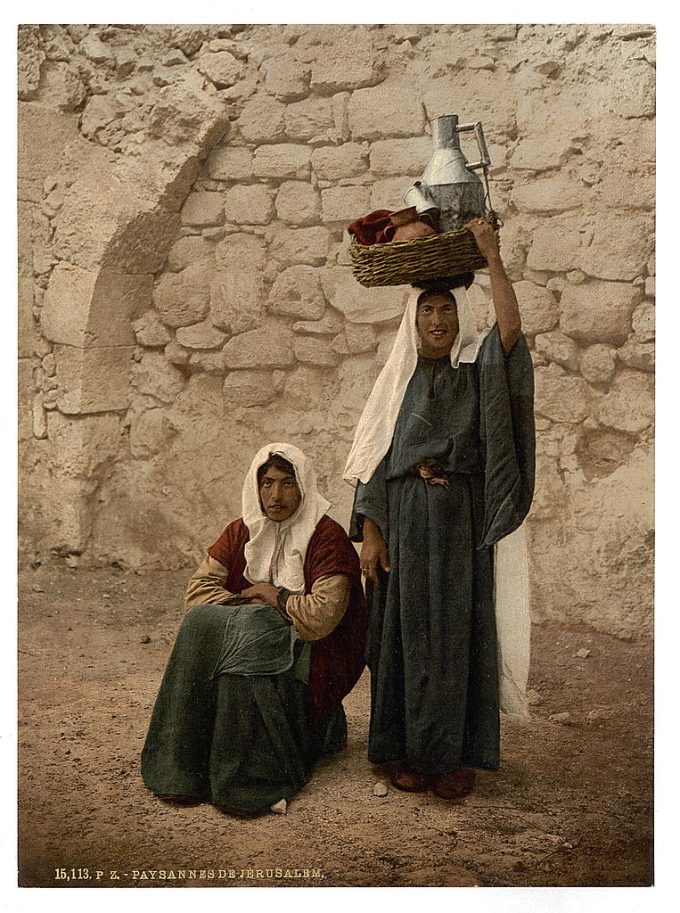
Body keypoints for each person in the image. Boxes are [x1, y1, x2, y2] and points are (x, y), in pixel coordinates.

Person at [344, 218, 535, 802]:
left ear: (458, 319)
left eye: (446, 311)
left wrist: (492, 257)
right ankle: (405, 752)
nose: (436, 321)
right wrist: (372, 533)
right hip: (405, 524)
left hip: (459, 526)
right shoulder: (396, 382)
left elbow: (511, 331)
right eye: (426, 311)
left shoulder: (477, 372)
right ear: (413, 319)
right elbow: (374, 454)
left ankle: (450, 757)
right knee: (405, 637)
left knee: (456, 636)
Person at [141, 443, 367, 816]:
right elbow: (197, 593)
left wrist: (272, 598)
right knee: (202, 622)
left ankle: (249, 777)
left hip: (315, 652)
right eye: (267, 484)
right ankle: (183, 769)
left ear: (304, 486)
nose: (275, 496)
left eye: (287, 484)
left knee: (255, 627)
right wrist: (251, 603)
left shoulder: (326, 536)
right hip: (252, 633)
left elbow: (322, 615)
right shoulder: (242, 531)